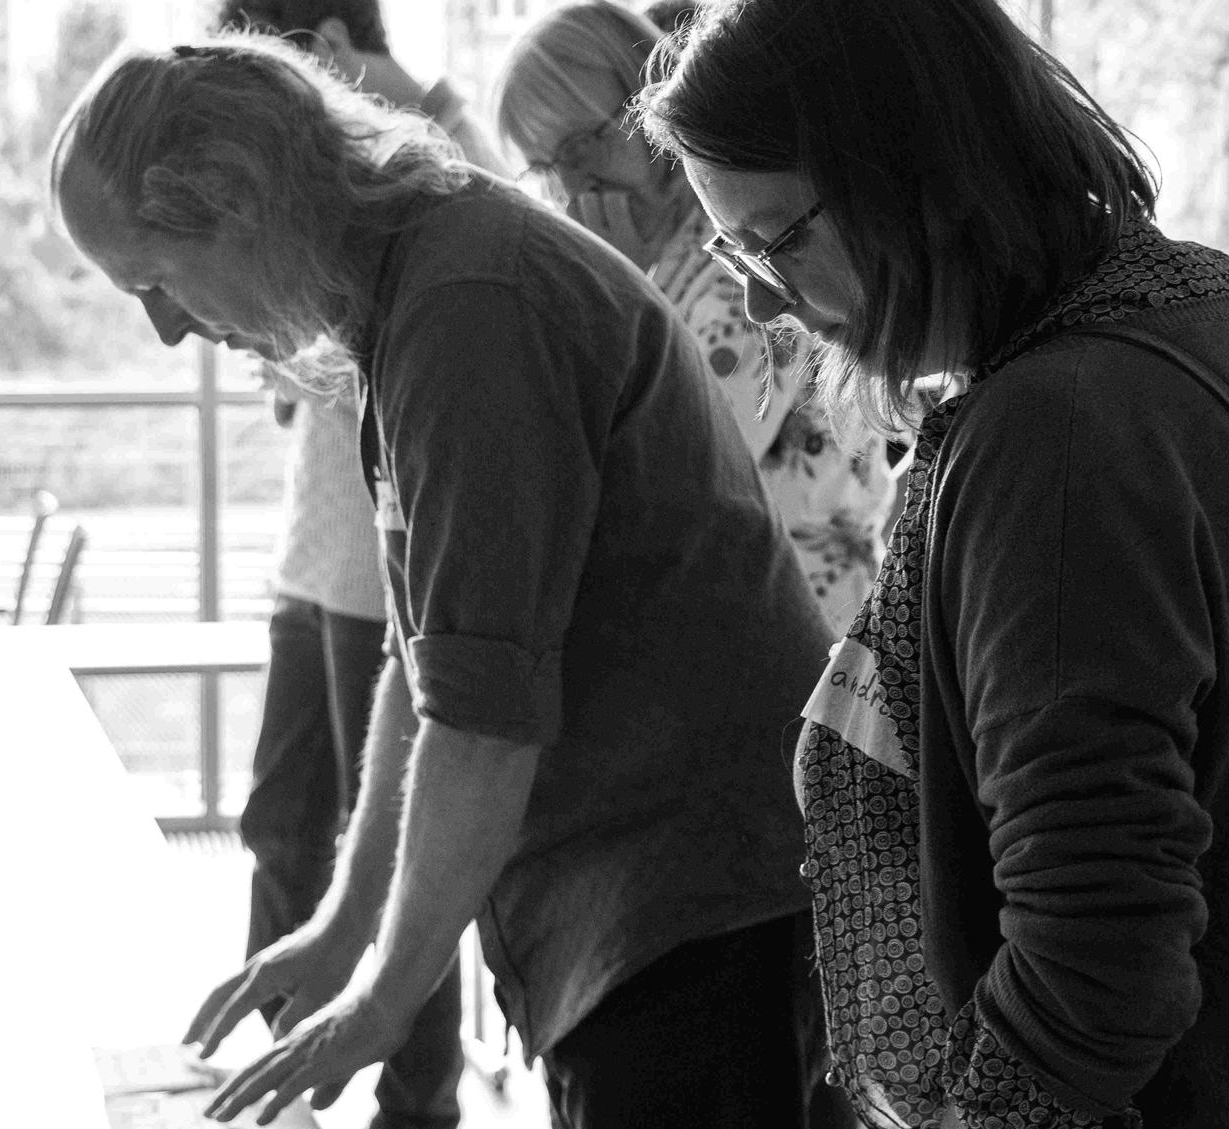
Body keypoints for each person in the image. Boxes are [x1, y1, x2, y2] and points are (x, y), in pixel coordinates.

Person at [50, 34, 837, 1129]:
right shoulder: (418, 278)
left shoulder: (470, 303)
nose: (167, 326)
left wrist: (385, 991)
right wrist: (346, 923)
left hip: (690, 894)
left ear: (232, 198)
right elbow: (425, 657)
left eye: (153, 279)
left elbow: (480, 719)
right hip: (660, 891)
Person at [639, 2, 1229, 1127]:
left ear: (924, 170)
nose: (761, 297)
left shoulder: (1056, 436)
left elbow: (1096, 963)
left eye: (780, 239)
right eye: (734, 251)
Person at [206, 4, 511, 1127]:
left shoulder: (435, 168)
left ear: (323, 47)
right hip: (322, 550)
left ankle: (412, 1095)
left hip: (396, 557)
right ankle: (267, 1071)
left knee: (394, 838)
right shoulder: (298, 185)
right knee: (283, 823)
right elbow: (295, 379)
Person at [494, 0, 893, 636]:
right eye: (545, 167)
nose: (571, 185)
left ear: (647, 105)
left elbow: (660, 469)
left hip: (806, 638)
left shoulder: (746, 257)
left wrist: (609, 296)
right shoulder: (664, 259)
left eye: (581, 143)